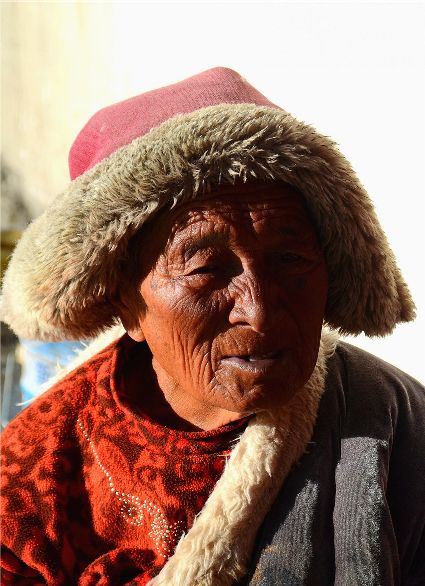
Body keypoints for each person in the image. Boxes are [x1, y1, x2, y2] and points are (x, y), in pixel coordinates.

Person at [1, 67, 424, 586]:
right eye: (205, 269)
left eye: (290, 259)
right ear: (124, 301)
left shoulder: (395, 419)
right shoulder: (31, 479)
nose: (260, 311)